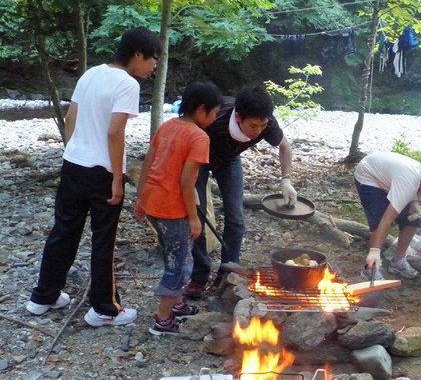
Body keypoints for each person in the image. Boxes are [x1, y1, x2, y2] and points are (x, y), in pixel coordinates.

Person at [26, 27, 161, 327]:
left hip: (73, 164)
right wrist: (116, 178)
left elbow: (71, 117)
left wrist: (74, 151)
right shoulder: (127, 84)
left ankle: (43, 296)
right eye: (153, 58)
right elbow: (115, 133)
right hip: (102, 172)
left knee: (64, 231)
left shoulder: (91, 74)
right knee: (104, 239)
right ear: (137, 54)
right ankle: (104, 309)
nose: (154, 66)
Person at [183, 85, 298, 298]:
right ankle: (199, 276)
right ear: (238, 117)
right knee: (197, 214)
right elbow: (186, 134)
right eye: (253, 126)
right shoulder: (215, 117)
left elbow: (284, 146)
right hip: (197, 158)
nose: (258, 131)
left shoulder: (266, 123)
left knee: (236, 218)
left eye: (262, 125)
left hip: (229, 161)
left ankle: (227, 273)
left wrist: (286, 180)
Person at [133, 81, 222, 336]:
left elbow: (148, 163)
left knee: (174, 253)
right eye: (214, 113)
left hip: (154, 204)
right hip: (173, 209)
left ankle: (178, 304)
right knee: (180, 264)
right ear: (202, 110)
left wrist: (141, 199)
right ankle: (162, 320)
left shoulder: (167, 127)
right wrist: (194, 219)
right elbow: (186, 181)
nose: (215, 118)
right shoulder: (199, 137)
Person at [355, 152, 421, 279]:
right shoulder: (408, 181)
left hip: (388, 176)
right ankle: (370, 268)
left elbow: (410, 189)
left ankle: (398, 261)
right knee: (380, 224)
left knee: (413, 221)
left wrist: (413, 201)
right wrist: (374, 252)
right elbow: (387, 219)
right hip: (368, 174)